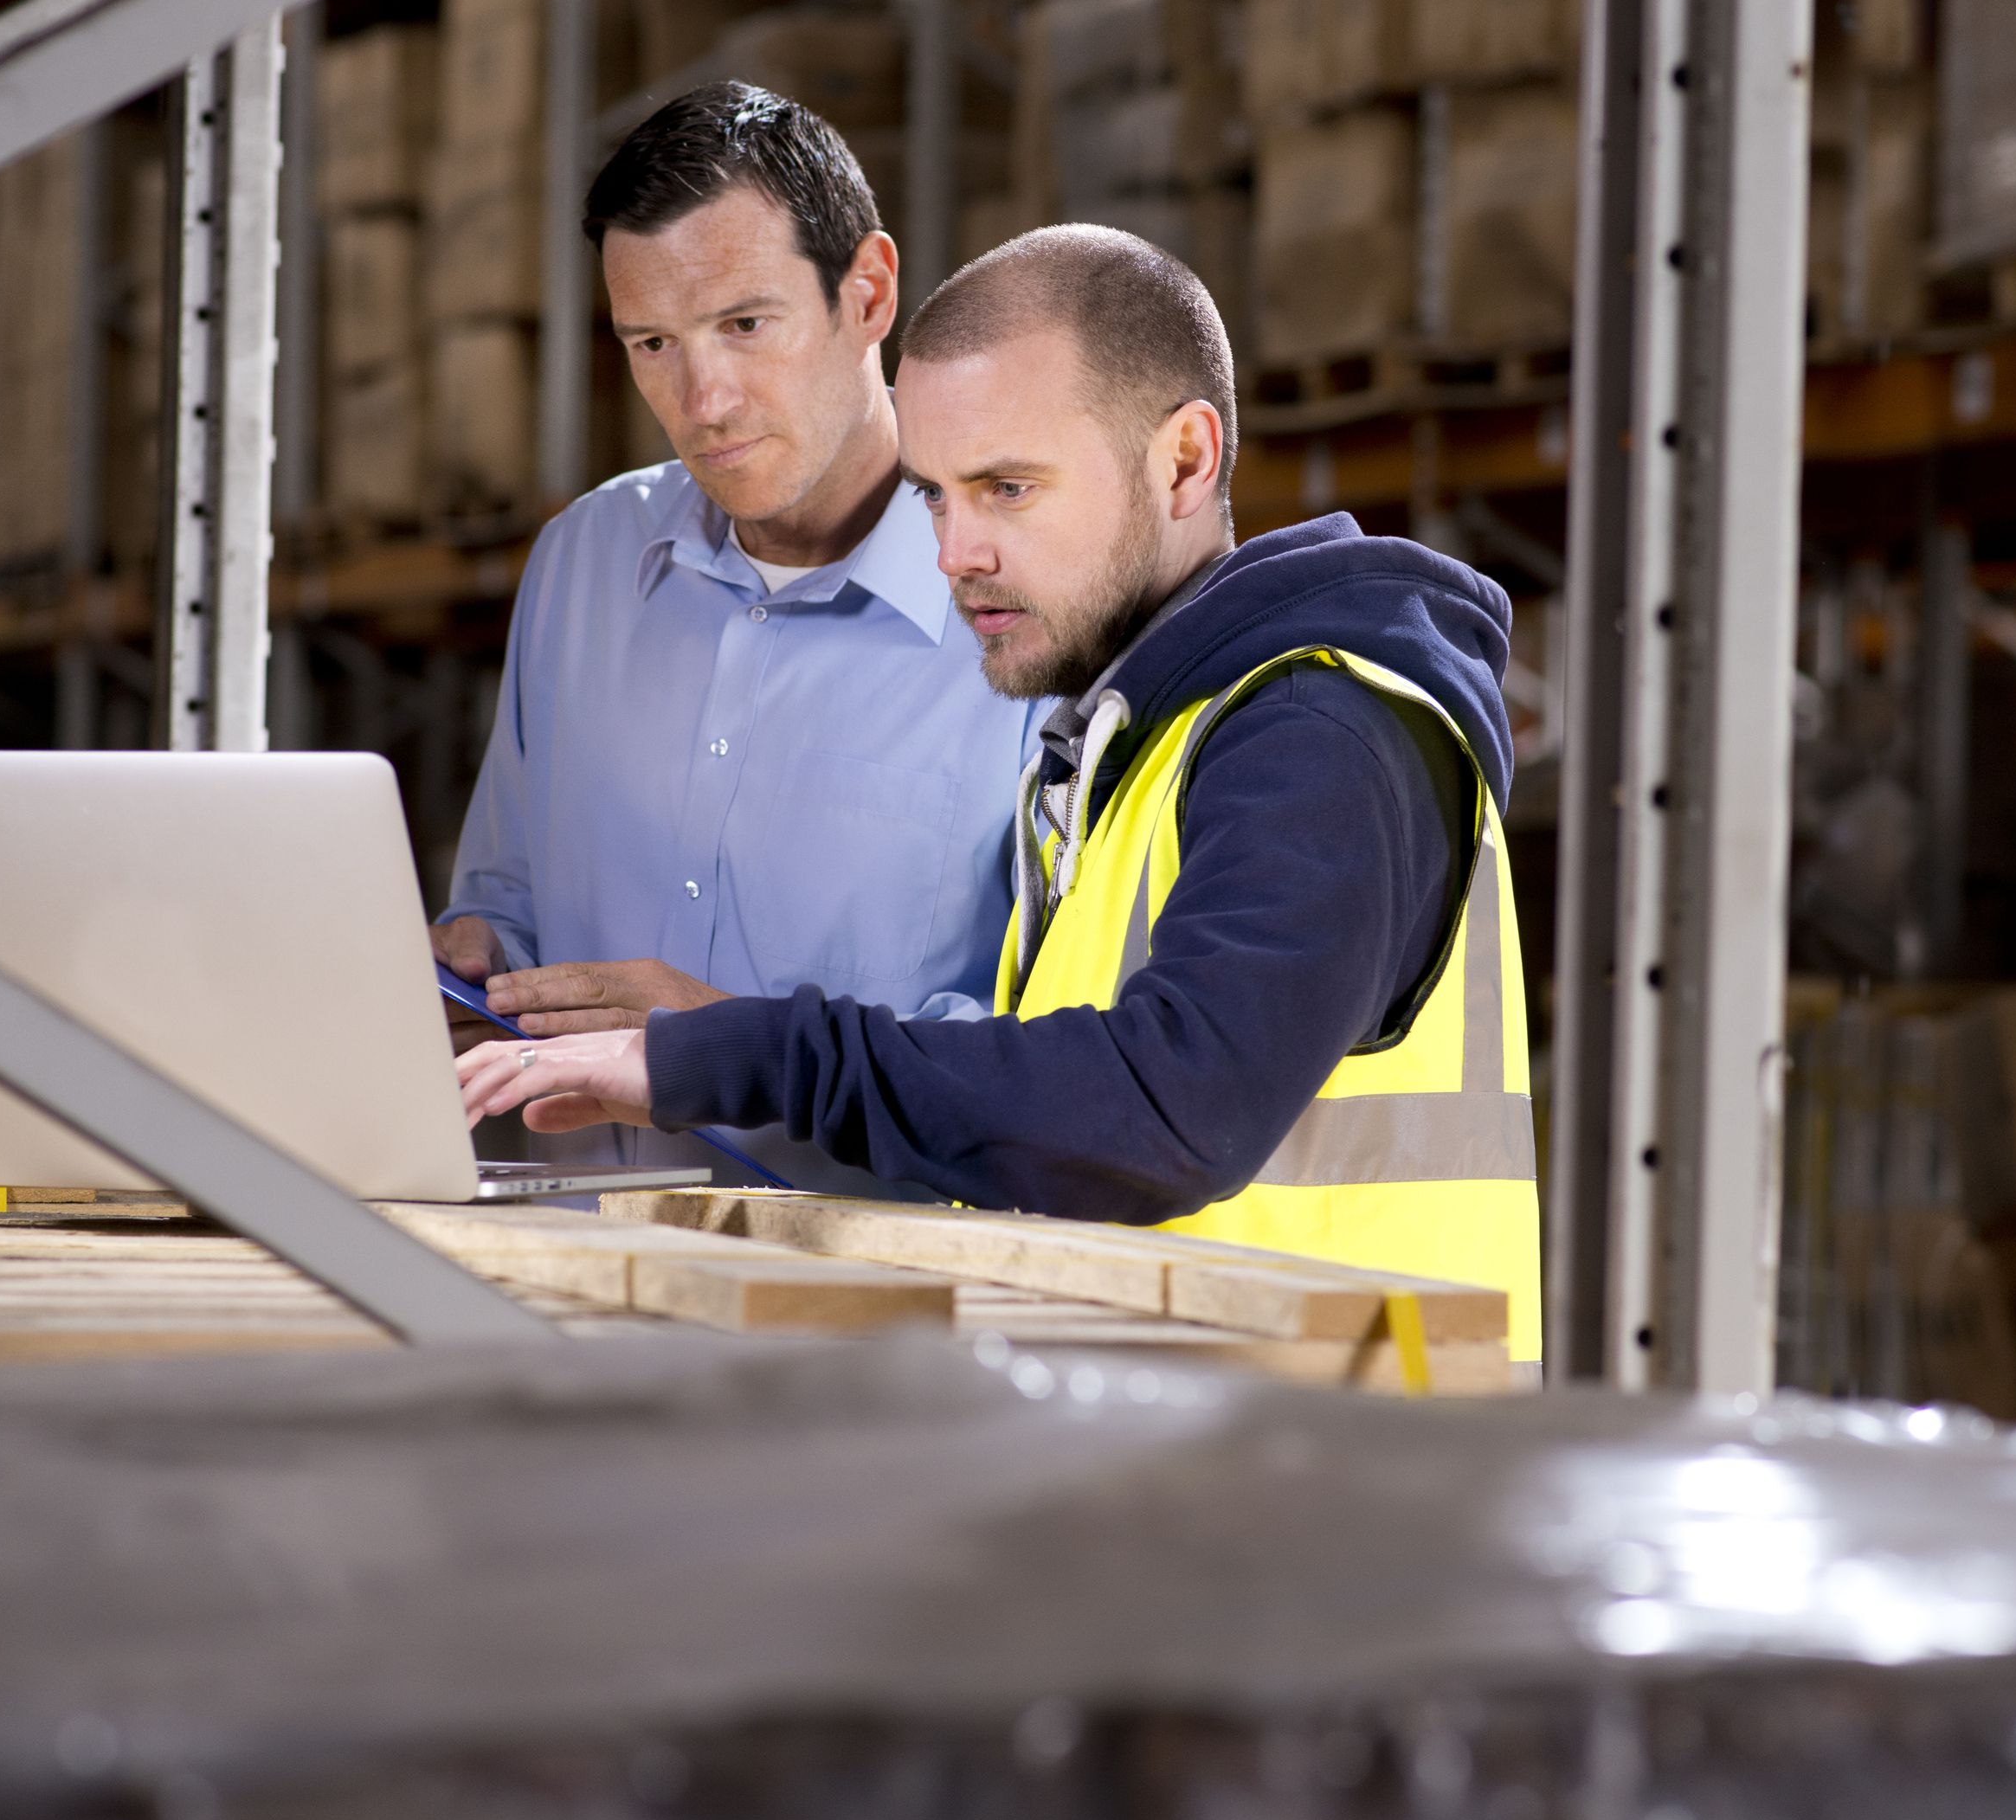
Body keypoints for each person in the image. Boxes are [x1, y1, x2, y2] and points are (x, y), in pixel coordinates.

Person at [458, 224, 1542, 1347]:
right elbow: (1043, 1108)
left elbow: (1167, 1109)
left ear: (1183, 460)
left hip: (1355, 1474)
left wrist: (735, 1052)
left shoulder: (1323, 735)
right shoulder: (1130, 752)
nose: (952, 552)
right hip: (1208, 1457)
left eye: (1005, 488)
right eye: (933, 495)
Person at [434, 83, 1037, 1197]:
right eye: (651, 342)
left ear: (868, 292)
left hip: (883, 1307)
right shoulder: (581, 566)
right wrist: (473, 968)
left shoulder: (1025, 611)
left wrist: (731, 1042)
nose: (702, 398)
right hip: (576, 1277)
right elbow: (504, 904)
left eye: (744, 326)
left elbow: (1053, 1059)